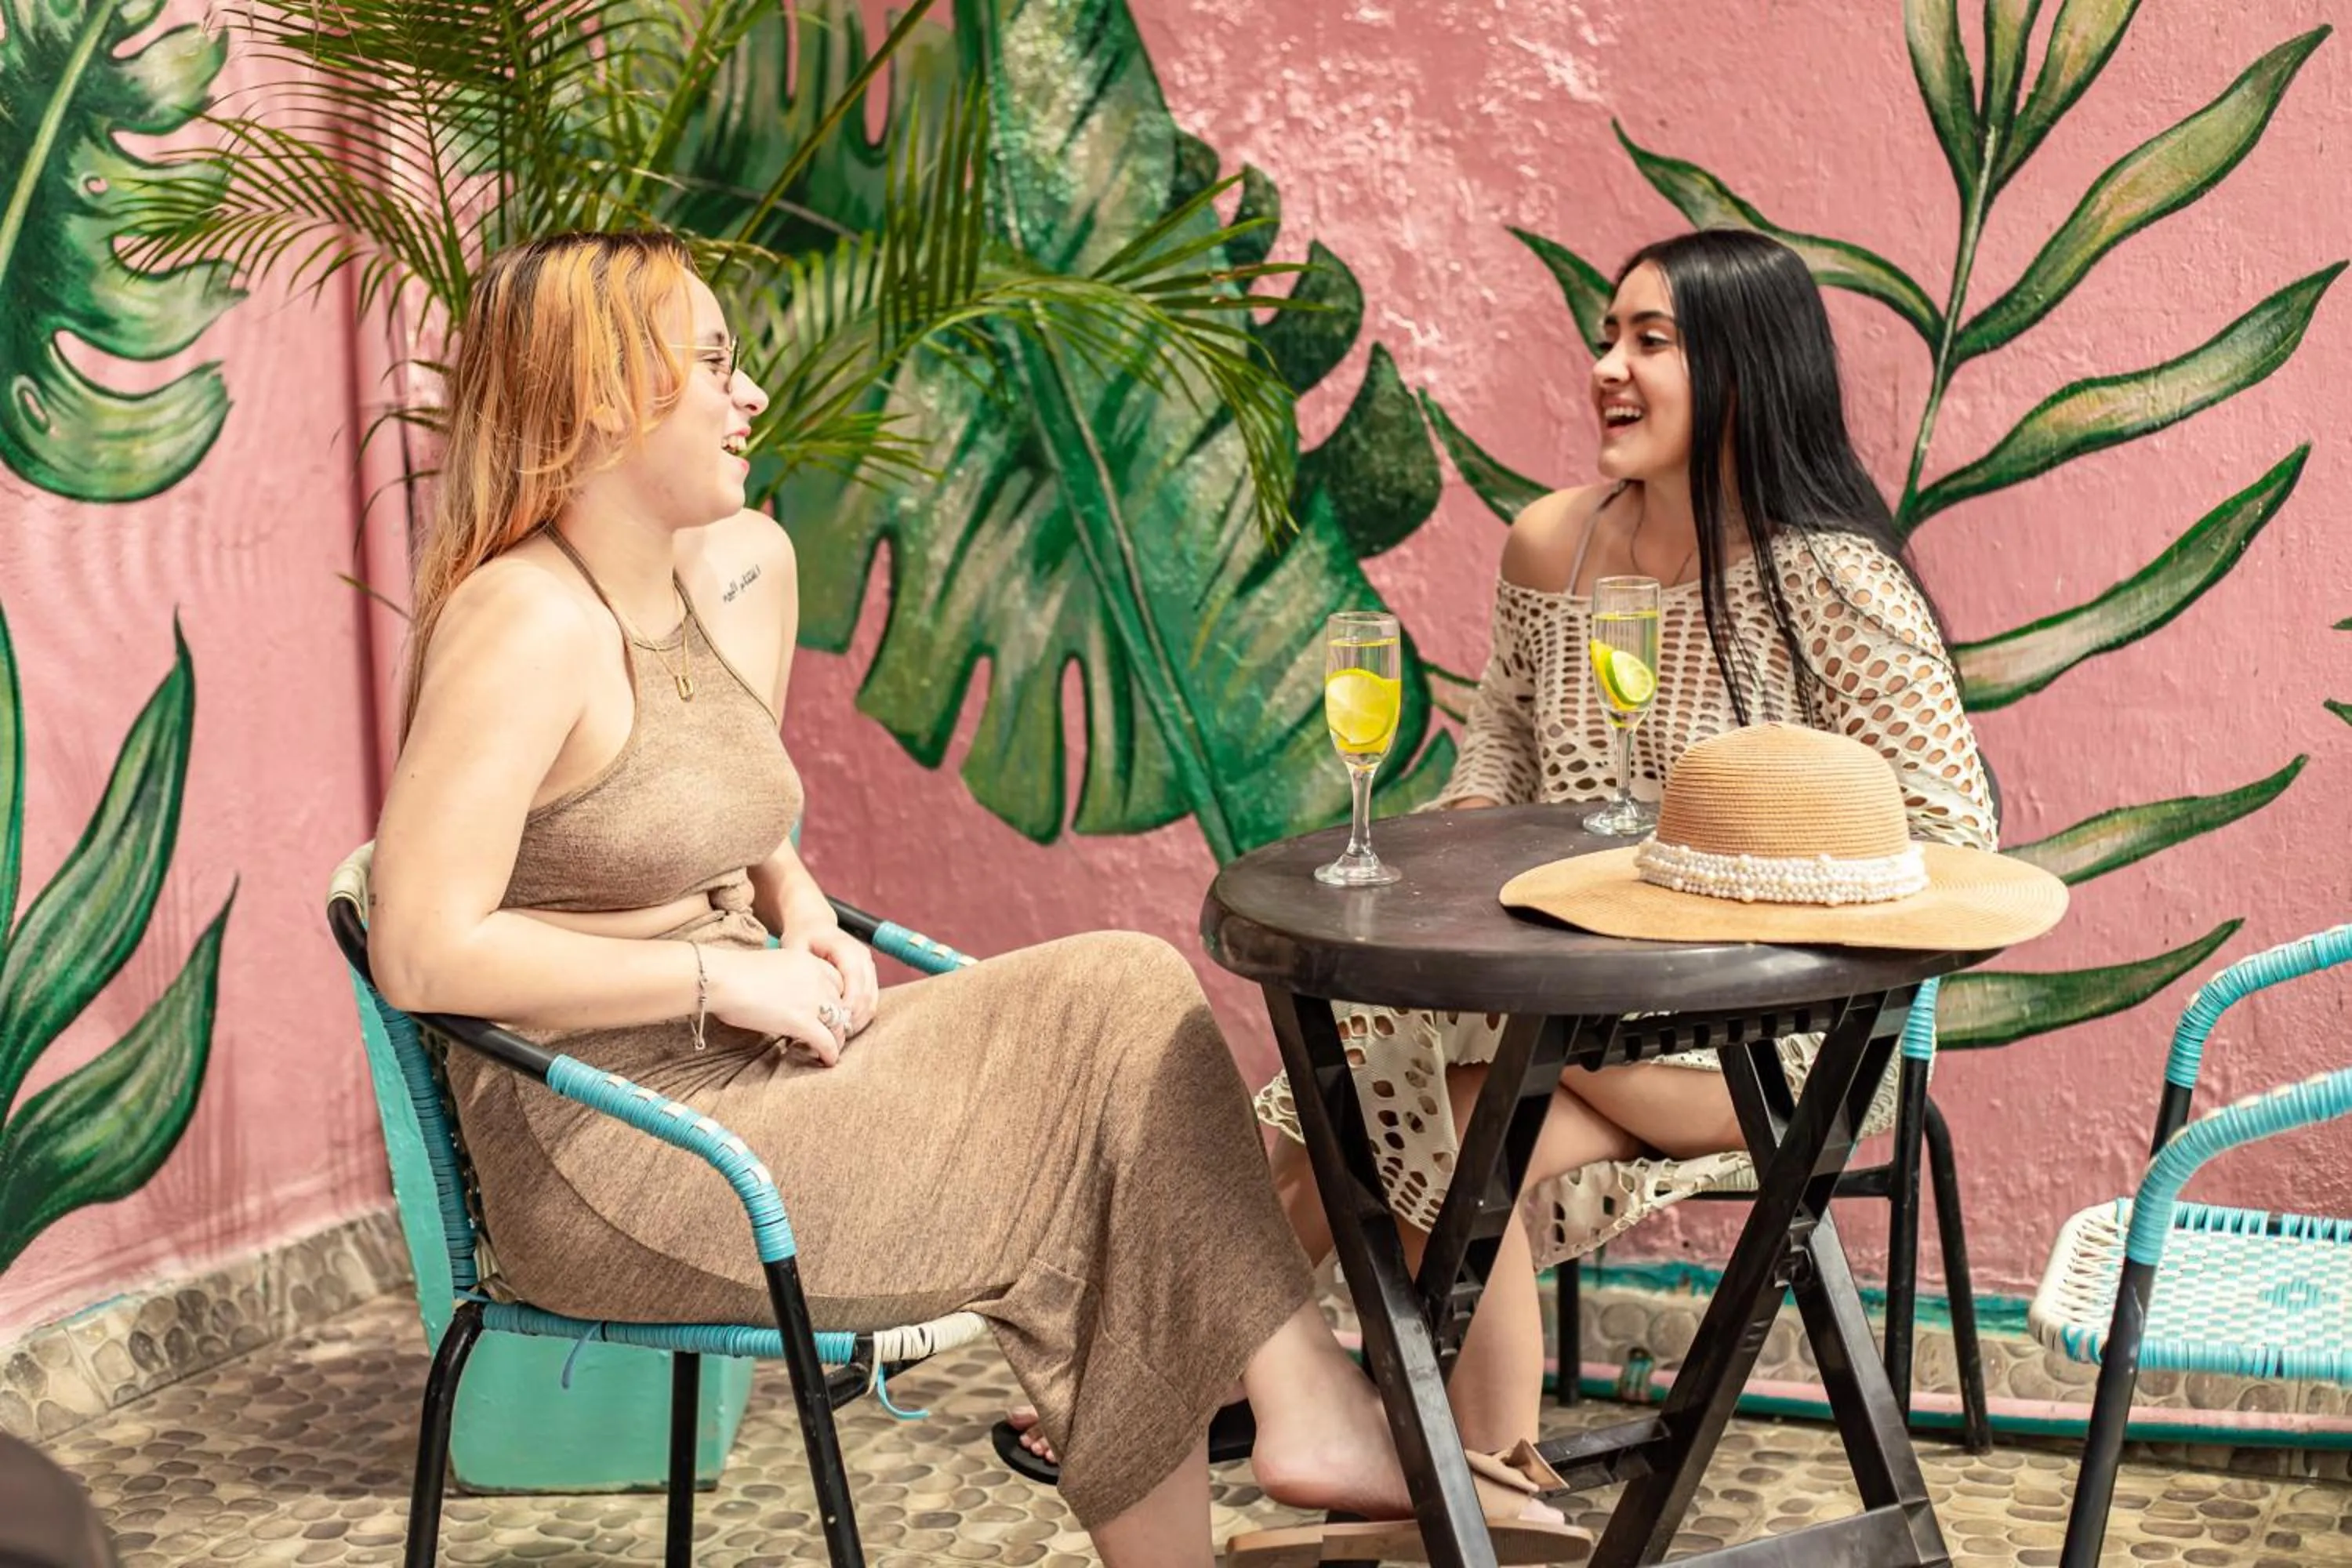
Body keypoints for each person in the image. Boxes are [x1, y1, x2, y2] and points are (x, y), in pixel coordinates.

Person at [364, 229, 1526, 1566]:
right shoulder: (523, 622)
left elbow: (727, 807)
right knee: (1110, 1032)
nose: (750, 393)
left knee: (1127, 1055)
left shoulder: (723, 568)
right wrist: (719, 975)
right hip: (630, 1155)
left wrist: (792, 902)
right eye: (714, 363)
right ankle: (1307, 1399)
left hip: (761, 1078)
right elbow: (421, 947)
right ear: (602, 395)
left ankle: (1280, 1435)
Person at [1250, 227, 2002, 1455]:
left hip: (1761, 1037)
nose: (1609, 365)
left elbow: (1951, 834)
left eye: (1650, 341)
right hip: (1561, 994)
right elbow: (1495, 762)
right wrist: (1428, 854)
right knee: (1393, 1123)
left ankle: (1215, 1405)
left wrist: (1739, 893)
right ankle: (1484, 1478)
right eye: (1608, 336)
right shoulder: (1558, 543)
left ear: (1745, 373)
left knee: (1349, 1098)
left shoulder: (1835, 584)